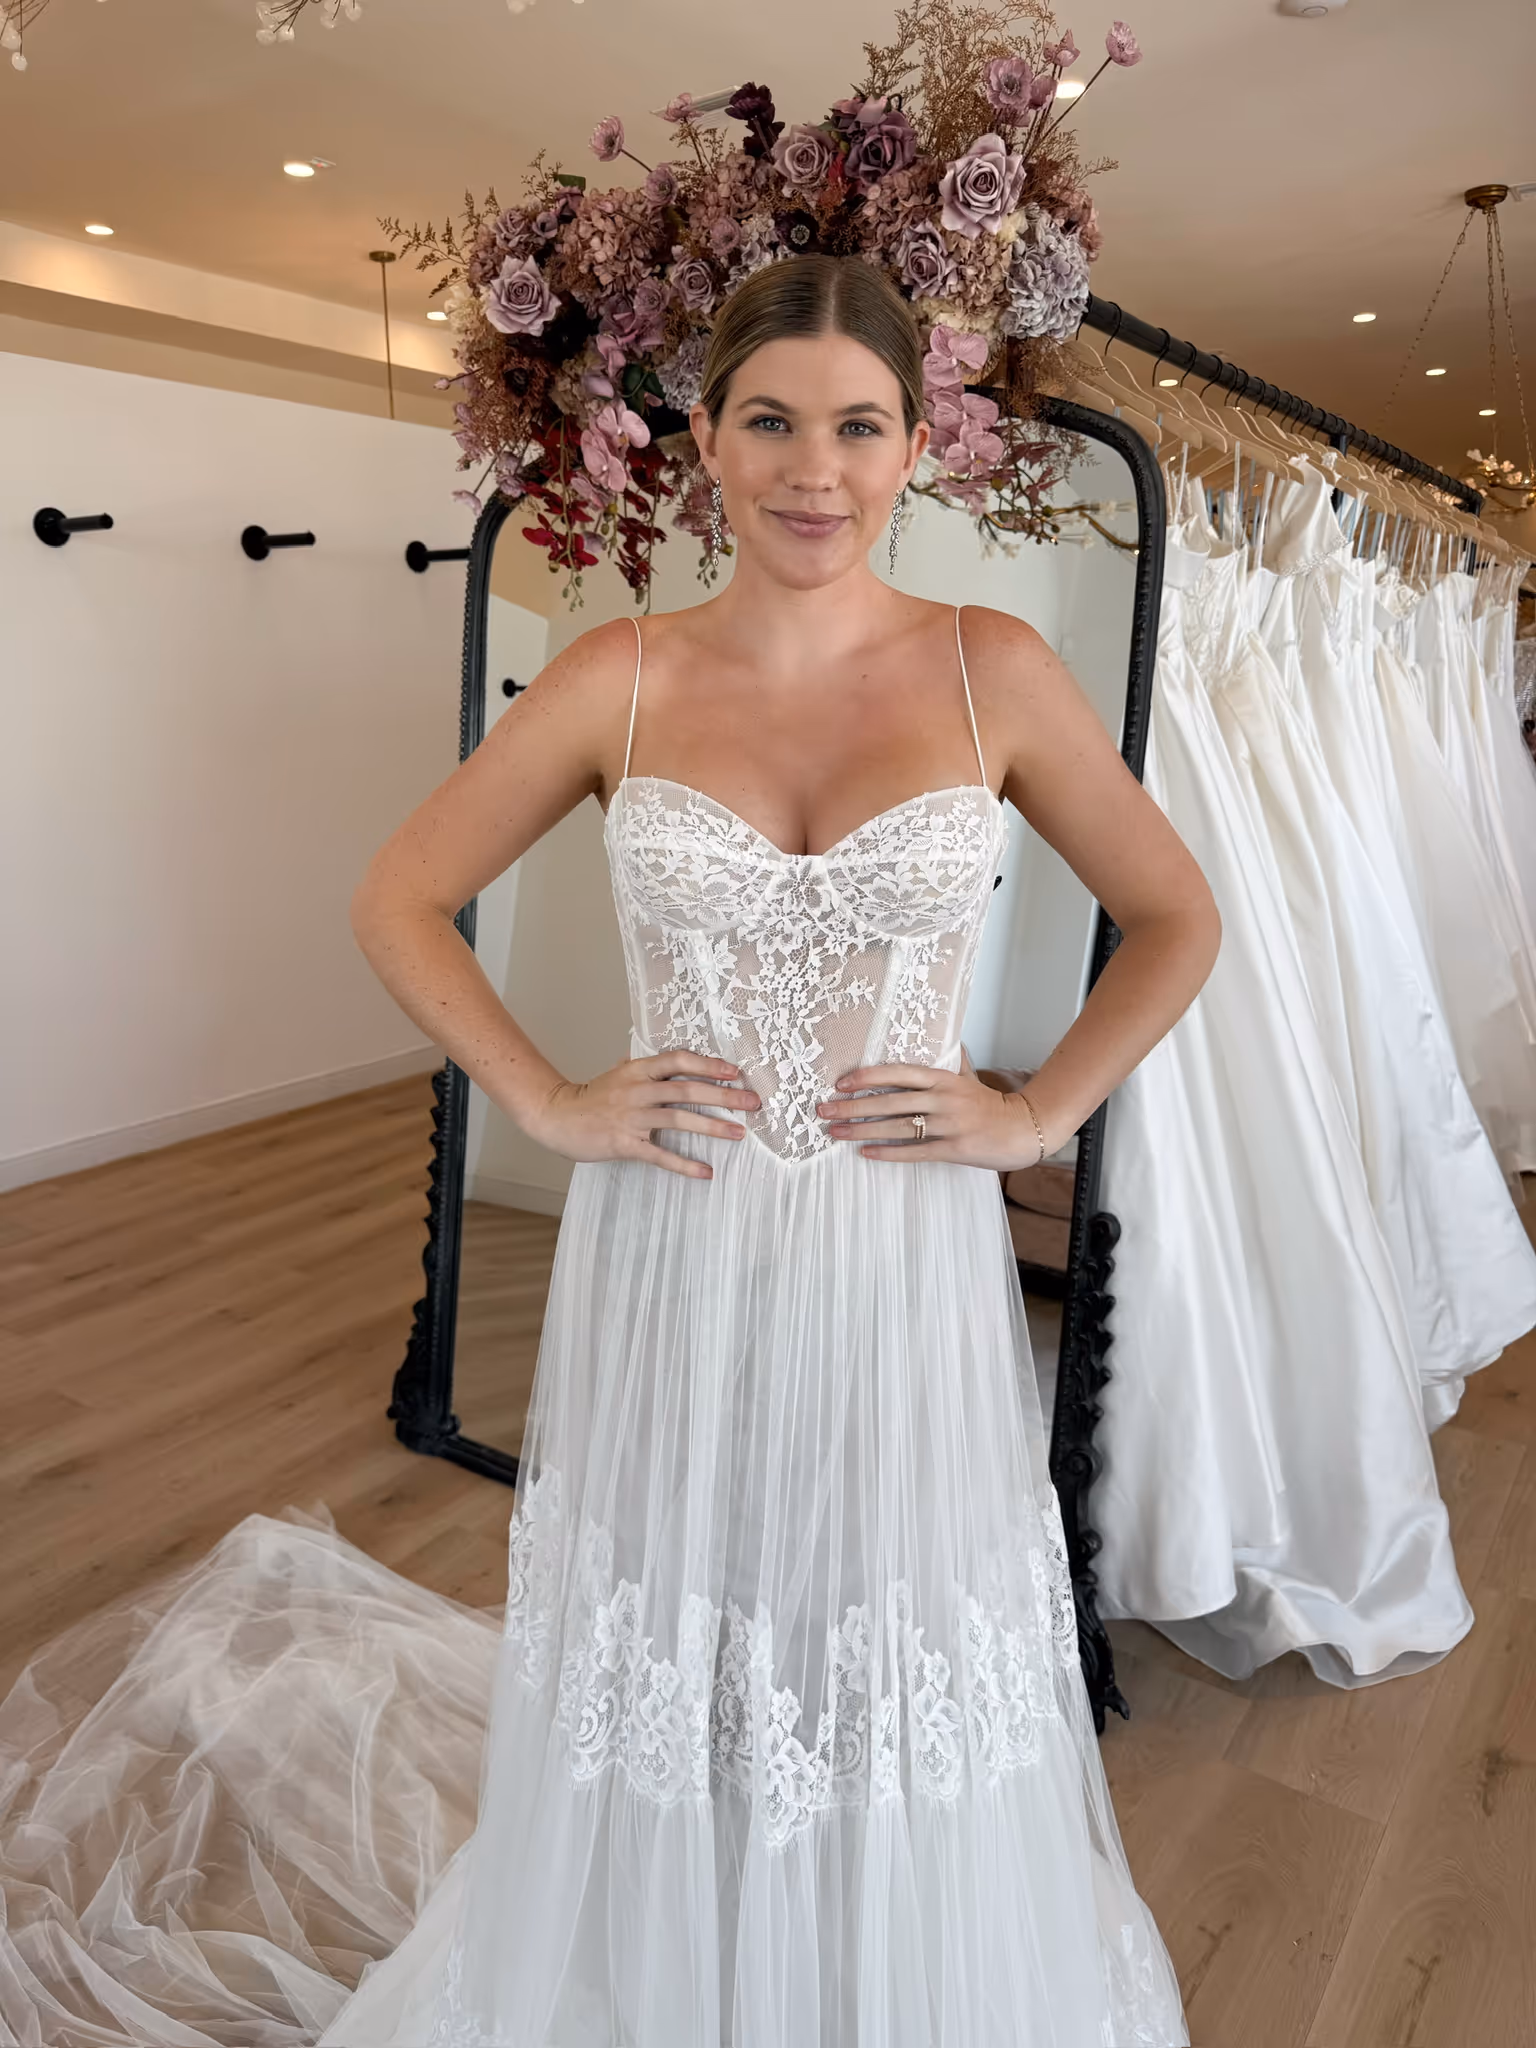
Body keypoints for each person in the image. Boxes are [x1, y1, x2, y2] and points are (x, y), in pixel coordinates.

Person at [0, 255, 1213, 2046]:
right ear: (705, 439)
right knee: (681, 1615)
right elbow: (399, 897)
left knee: (880, 1617)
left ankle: (874, 1973)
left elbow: (1177, 917)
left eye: (859, 426)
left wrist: (1039, 1114)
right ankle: (667, 1960)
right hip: (672, 1234)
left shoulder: (994, 671)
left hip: (903, 1252)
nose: (815, 469)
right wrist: (550, 1099)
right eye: (771, 422)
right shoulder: (618, 676)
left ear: (915, 444)